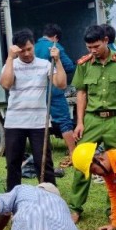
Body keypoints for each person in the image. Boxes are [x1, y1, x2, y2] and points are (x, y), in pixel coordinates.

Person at [67, 25, 116, 221]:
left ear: (106, 41)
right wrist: (79, 122)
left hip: (115, 120)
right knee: (82, 163)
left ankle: (114, 208)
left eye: (96, 46)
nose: (92, 51)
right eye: (89, 47)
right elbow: (81, 93)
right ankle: (75, 208)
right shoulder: (84, 64)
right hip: (92, 120)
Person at [0, 29, 67, 189]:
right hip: (15, 122)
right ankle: (13, 197)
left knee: (43, 162)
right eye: (22, 50)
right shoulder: (11, 64)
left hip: (38, 122)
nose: (27, 53)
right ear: (16, 49)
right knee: (13, 162)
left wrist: (57, 61)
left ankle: (49, 197)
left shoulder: (45, 64)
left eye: (29, 49)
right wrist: (10, 58)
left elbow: (61, 84)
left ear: (33, 46)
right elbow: (6, 84)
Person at [34, 24, 78, 167]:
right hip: (54, 90)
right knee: (64, 121)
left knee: (40, 123)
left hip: (36, 92)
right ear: (56, 37)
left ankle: (42, 156)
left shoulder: (33, 48)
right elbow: (69, 67)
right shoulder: (54, 47)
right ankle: (73, 154)